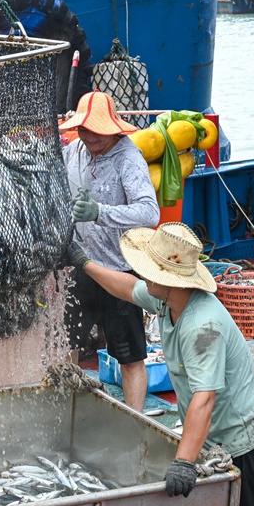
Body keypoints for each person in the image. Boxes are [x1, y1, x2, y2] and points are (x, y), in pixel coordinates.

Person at [67, 223, 254, 506]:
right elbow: (124, 286)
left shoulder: (202, 326)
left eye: (150, 269)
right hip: (210, 444)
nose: (143, 274)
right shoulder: (168, 301)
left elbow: (204, 400)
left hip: (244, 449)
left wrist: (183, 462)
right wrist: (84, 262)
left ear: (170, 279)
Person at [60, 90, 160, 412]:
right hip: (79, 262)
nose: (89, 136)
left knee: (130, 356)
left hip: (119, 270)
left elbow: (150, 212)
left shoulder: (129, 159)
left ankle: (136, 421)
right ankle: (67, 408)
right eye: (84, 129)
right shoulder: (74, 150)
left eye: (97, 131)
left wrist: (100, 212)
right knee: (67, 344)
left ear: (113, 128)